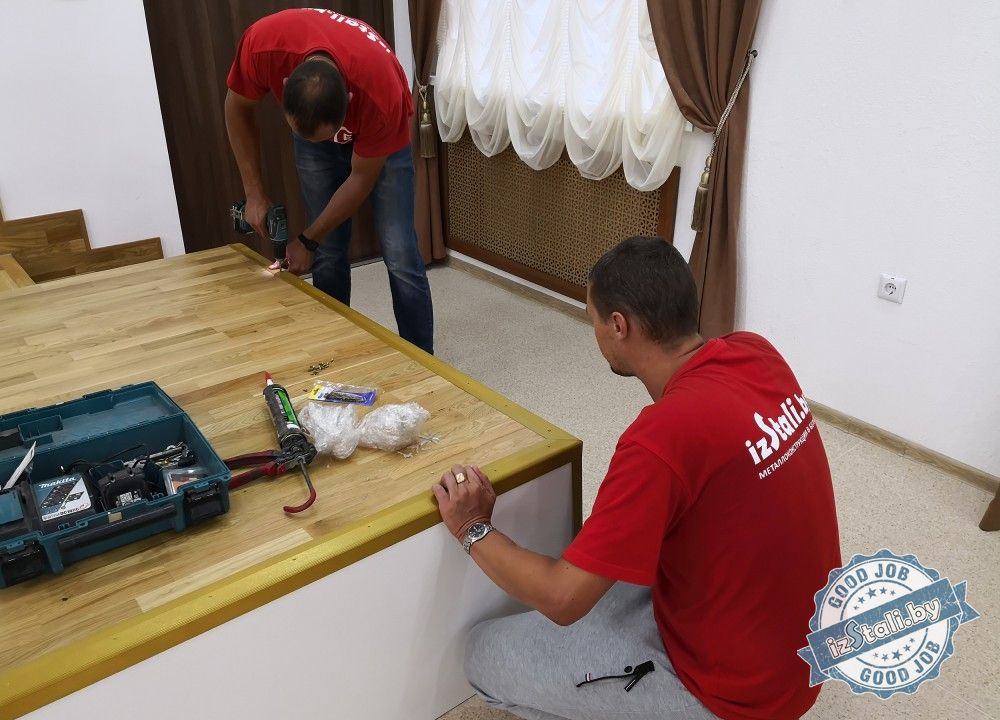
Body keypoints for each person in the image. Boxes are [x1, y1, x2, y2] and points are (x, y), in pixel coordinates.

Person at [433, 237, 842, 720]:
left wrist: (472, 527)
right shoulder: (756, 353)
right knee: (618, 559)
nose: (595, 333)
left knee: (481, 654)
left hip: (737, 697)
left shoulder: (660, 440)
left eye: (592, 320)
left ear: (618, 326)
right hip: (804, 657)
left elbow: (563, 599)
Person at [225, 8, 434, 354]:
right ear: (286, 86)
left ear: (348, 102)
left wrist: (307, 239)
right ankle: (333, 351)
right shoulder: (263, 46)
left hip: (383, 133)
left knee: (400, 252)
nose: (327, 145)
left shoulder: (381, 93)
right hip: (326, 114)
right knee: (329, 251)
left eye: (329, 136)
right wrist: (254, 193)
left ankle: (422, 359)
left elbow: (360, 179)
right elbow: (236, 107)